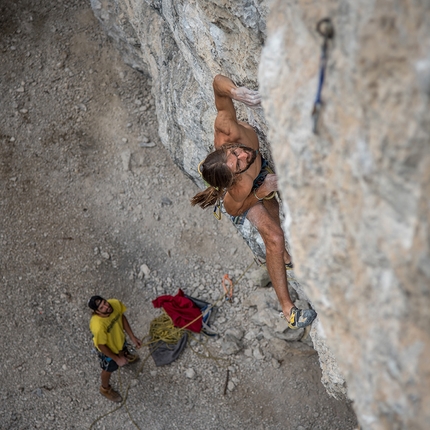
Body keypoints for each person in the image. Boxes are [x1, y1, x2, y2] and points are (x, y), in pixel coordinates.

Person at [191, 74, 317, 329]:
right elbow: (235, 209)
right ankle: (288, 310)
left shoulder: (227, 129)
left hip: (260, 177)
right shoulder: (237, 187)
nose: (243, 155)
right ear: (235, 175)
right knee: (275, 238)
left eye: (235, 152)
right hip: (250, 193)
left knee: (276, 216)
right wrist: (260, 191)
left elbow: (217, 83)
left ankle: (283, 258)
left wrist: (236, 92)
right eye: (238, 163)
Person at [88, 296, 142, 403]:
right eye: (102, 308)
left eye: (105, 302)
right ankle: (105, 389)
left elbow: (121, 317)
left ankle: (124, 356)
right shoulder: (98, 325)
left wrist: (132, 337)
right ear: (97, 312)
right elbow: (102, 345)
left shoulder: (114, 304)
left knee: (123, 348)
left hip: (119, 341)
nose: (106, 306)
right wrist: (116, 359)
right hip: (108, 350)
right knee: (108, 369)